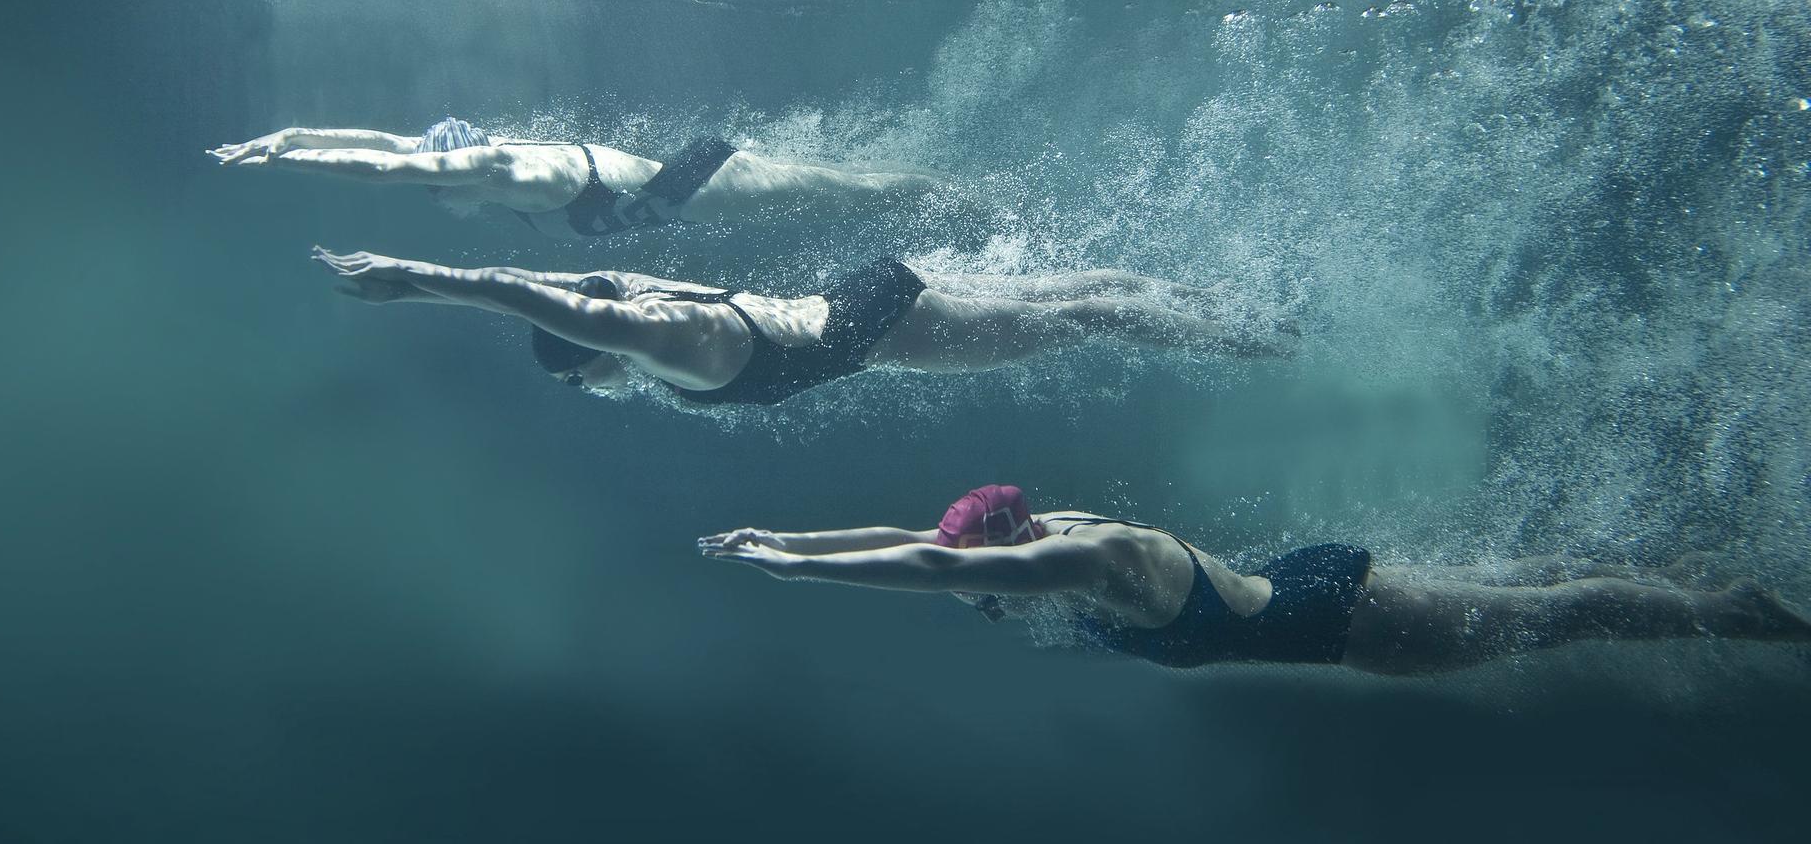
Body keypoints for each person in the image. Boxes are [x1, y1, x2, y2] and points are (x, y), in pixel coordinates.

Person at [698, 485, 1811, 673]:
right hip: (1300, 586)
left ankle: (1730, 611)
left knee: (1550, 620)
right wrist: (789, 539)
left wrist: (799, 576)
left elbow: (925, 561)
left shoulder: (1084, 556)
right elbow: (918, 538)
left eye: (985, 577)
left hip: (1337, 618)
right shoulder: (1047, 531)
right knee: (1517, 587)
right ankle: (1674, 576)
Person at [313, 249, 1295, 406]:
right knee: (1070, 293)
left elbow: (536, 297)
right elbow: (562, 283)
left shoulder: (658, 342)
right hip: (861, 293)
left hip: (878, 325)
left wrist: (415, 280)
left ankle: (1257, 338)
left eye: (577, 375)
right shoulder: (651, 302)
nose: (587, 389)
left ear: (595, 351)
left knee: (1083, 318)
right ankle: (1222, 298)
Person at [210, 118, 940, 238]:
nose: (434, 196)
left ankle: (942, 191)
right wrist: (290, 134)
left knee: (842, 195)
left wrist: (286, 161)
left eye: (435, 185)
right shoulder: (479, 162)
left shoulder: (497, 168)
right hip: (681, 196)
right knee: (832, 193)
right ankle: (930, 186)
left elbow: (385, 168)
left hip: (699, 187)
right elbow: (387, 143)